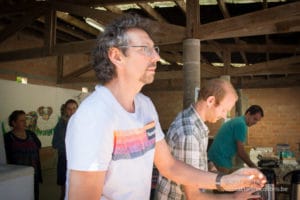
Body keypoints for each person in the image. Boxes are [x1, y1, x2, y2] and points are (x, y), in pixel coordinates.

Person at [65, 14, 266, 200]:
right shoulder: (94, 116)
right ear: (117, 56)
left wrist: (225, 181)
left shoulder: (145, 106)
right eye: (145, 49)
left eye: (155, 49)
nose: (156, 57)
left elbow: (169, 166)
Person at [155, 79, 260, 200]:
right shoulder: (190, 133)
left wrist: (212, 168)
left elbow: (199, 158)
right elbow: (193, 196)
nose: (224, 116)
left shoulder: (193, 121)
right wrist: (234, 197)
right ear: (210, 101)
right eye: (224, 110)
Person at [208, 105, 264, 174]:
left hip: (215, 159)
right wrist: (253, 166)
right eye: (254, 119)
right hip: (220, 161)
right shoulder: (241, 124)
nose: (255, 122)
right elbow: (241, 151)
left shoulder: (237, 120)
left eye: (257, 121)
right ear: (248, 114)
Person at [4, 110, 42, 200]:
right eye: (21, 121)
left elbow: (38, 146)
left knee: (34, 195)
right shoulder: (7, 138)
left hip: (33, 173)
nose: (25, 123)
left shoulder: (31, 134)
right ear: (13, 123)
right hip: (17, 176)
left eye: (25, 120)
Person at [52, 99, 78, 200]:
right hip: (65, 159)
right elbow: (55, 143)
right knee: (64, 190)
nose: (72, 111)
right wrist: (70, 147)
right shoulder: (60, 125)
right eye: (69, 109)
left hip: (79, 160)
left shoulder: (83, 123)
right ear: (65, 110)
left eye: (74, 109)